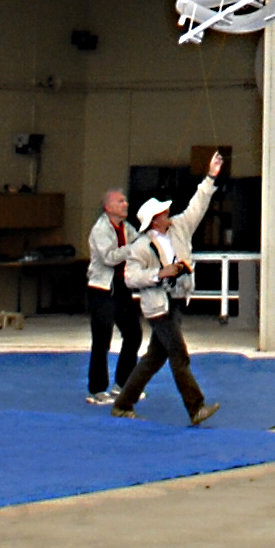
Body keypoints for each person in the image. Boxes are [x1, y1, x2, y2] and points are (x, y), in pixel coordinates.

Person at [111, 150, 224, 426]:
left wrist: (211, 177)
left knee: (153, 358)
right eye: (163, 212)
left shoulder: (179, 228)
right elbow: (130, 278)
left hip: (174, 301)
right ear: (155, 221)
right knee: (178, 354)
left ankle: (123, 403)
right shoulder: (140, 246)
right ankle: (195, 407)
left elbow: (198, 204)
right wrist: (160, 274)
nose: (168, 213)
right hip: (158, 307)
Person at [85, 186, 143, 403]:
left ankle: (123, 383)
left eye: (125, 201)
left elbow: (141, 245)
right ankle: (97, 389)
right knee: (102, 338)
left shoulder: (127, 228)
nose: (125, 204)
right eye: (120, 201)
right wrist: (133, 249)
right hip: (101, 289)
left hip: (121, 288)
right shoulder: (100, 231)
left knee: (134, 333)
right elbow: (110, 258)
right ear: (108, 207)